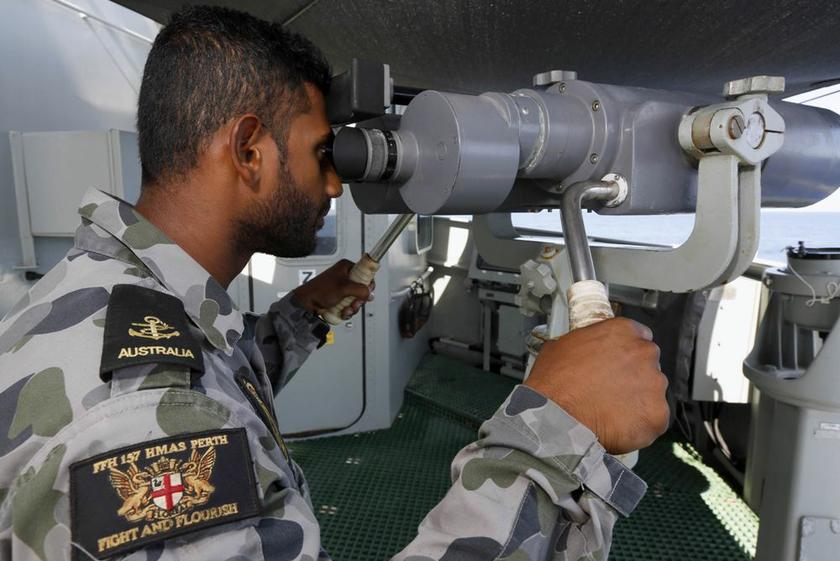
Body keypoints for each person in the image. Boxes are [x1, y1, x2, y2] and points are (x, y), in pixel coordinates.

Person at [0, 6, 669, 560]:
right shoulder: (141, 424)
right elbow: (173, 405)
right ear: (249, 150)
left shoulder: (117, 296)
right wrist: (554, 431)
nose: (332, 185)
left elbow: (208, 381)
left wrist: (302, 317)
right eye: (323, 154)